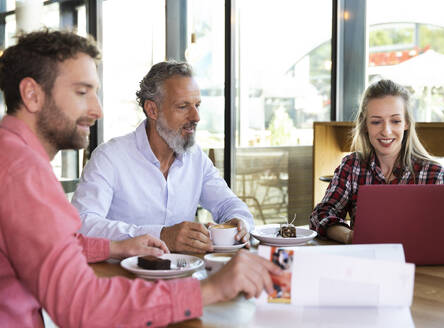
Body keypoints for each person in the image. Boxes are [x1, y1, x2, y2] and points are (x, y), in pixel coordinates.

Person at [0, 29, 281, 327]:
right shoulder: (23, 173)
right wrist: (212, 288)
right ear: (32, 94)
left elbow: (59, 241)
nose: (98, 110)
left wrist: (116, 246)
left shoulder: (14, 159)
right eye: (82, 92)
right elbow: (81, 304)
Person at [71, 61, 252, 254]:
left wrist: (239, 222)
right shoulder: (110, 157)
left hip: (183, 276)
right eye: (183, 106)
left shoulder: (196, 157)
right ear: (152, 110)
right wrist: (161, 235)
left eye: (197, 105)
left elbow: (228, 204)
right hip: (121, 277)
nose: (196, 116)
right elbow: (82, 224)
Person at [310, 79, 444, 244]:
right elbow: (321, 214)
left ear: (406, 123)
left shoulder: (435, 175)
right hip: (367, 263)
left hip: (420, 266)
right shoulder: (352, 166)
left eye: (395, 121)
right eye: (376, 122)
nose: (386, 131)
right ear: (365, 125)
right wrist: (349, 236)